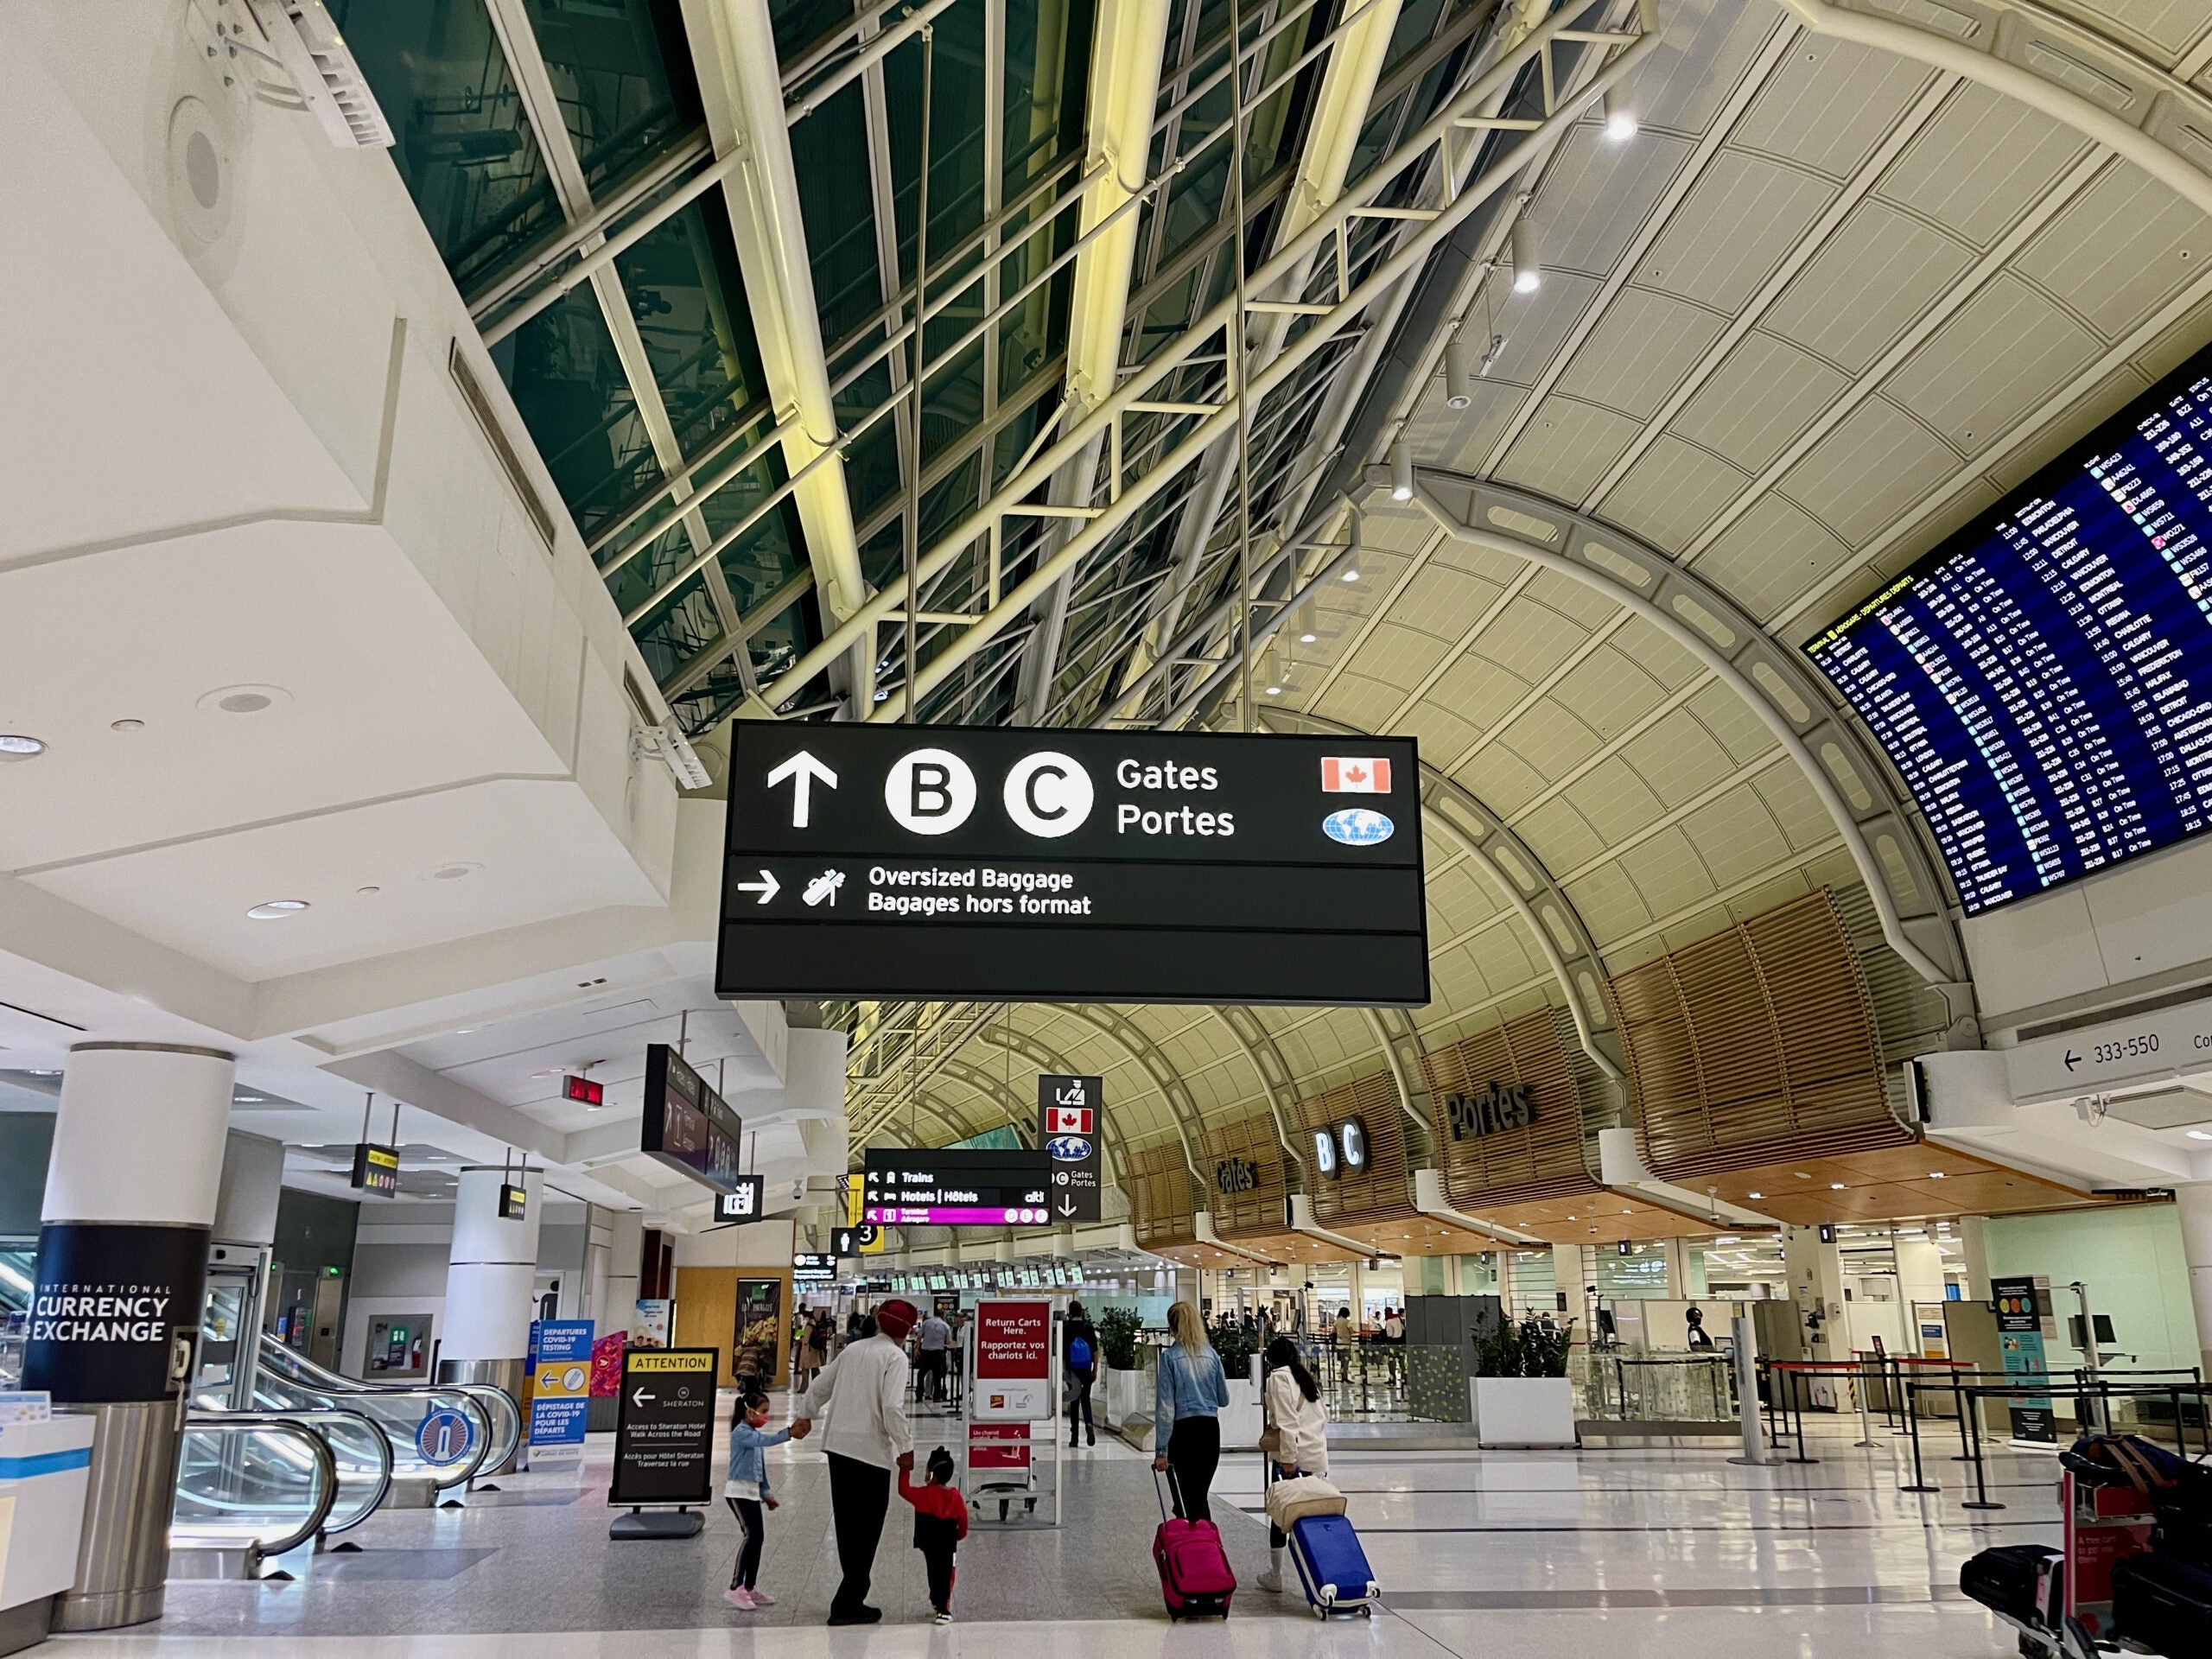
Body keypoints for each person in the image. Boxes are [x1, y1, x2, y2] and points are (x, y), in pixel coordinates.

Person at [793, 1297, 918, 1625]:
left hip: (837, 1447)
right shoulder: (895, 1356)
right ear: (906, 1330)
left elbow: (820, 1387)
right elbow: (892, 1407)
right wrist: (905, 1446)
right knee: (868, 1529)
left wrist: (806, 1415)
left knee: (848, 1527)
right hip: (869, 1453)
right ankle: (847, 1602)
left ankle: (852, 1596)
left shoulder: (853, 1350)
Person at [1256, 1334, 1329, 1593]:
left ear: (1271, 1360)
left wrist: (1287, 1460)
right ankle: (1322, 1570)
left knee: (1281, 1513)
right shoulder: (1304, 1377)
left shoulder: (1278, 1378)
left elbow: (1288, 1423)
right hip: (1317, 1455)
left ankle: (1276, 1575)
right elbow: (1323, 1416)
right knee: (1314, 1511)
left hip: (1295, 1458)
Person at [723, 1389, 806, 1610]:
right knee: (751, 1536)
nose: (765, 1416)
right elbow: (766, 1440)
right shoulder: (742, 1433)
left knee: (758, 1538)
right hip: (737, 1493)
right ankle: (736, 1588)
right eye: (763, 1411)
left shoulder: (752, 1436)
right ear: (749, 1412)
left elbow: (759, 1469)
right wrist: (788, 1432)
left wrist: (766, 1493)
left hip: (750, 1493)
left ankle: (750, 1587)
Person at [1150, 1300, 1230, 1526]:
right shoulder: (1212, 1355)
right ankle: (1205, 1546)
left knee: (1185, 1498)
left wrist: (1161, 1450)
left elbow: (1166, 1409)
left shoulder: (1169, 1358)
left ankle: (1195, 1549)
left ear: (1173, 1328)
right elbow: (1224, 1399)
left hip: (1183, 1433)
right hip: (1209, 1431)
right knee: (1199, 1495)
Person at [899, 1444, 969, 1624]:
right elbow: (963, 1523)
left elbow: (903, 1490)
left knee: (933, 1570)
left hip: (928, 1542)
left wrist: (904, 1469)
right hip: (948, 1543)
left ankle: (936, 1598)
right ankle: (944, 1608)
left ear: (931, 1473)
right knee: (948, 1573)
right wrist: (958, 1536)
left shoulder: (923, 1495)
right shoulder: (956, 1497)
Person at [1063, 1300, 1099, 1448]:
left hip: (1072, 1370)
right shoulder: (1088, 1328)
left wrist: (1065, 1370)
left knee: (1074, 1401)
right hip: (1085, 1369)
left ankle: (1074, 1438)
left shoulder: (1066, 1328)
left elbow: (1064, 1353)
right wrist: (1094, 1369)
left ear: (1070, 1313)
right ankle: (1089, 1423)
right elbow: (1095, 1351)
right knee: (1085, 1399)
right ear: (1082, 1312)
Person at [915, 1307, 952, 1402]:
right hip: (938, 1353)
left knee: (921, 1374)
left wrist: (917, 1349)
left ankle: (919, 1395)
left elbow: (919, 1336)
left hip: (926, 1353)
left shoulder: (926, 1323)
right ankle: (937, 1396)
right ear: (943, 1316)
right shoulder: (945, 1326)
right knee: (937, 1376)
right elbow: (948, 1342)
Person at [1332, 1305, 1355, 1381]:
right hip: (1346, 1343)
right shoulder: (1347, 1322)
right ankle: (1345, 1377)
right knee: (1346, 1361)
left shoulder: (1336, 1321)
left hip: (1338, 1343)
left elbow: (1334, 1331)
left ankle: (1342, 1376)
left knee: (1341, 1360)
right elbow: (1352, 1332)